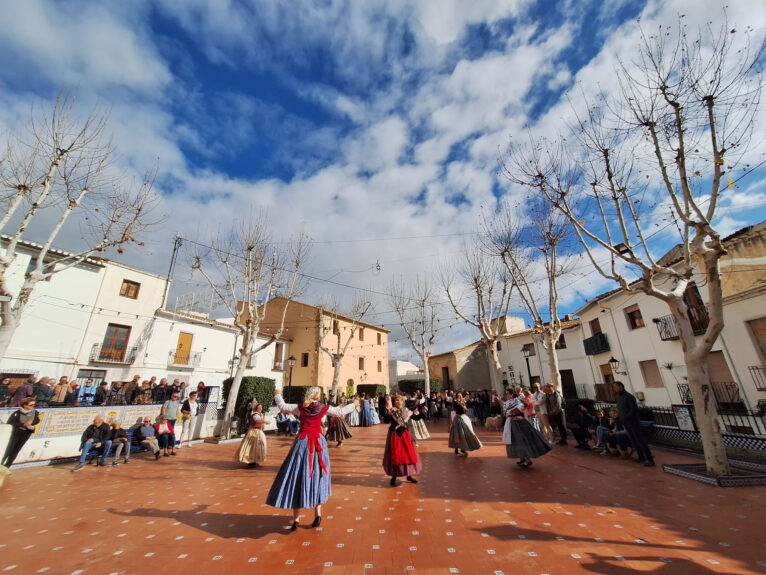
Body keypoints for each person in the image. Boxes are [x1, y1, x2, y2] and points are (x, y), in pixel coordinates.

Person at [266, 386, 357, 531]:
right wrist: (354, 404)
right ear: (317, 396)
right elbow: (339, 411)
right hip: (317, 444)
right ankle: (317, 515)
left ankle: (296, 520)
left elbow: (283, 406)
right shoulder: (322, 408)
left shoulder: (300, 407)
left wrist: (277, 394)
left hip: (302, 443)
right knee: (318, 475)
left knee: (296, 476)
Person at [502, 387, 551, 468]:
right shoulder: (507, 403)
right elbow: (506, 412)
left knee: (522, 440)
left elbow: (521, 408)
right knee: (515, 441)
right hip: (511, 423)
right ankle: (522, 459)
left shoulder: (516, 401)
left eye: (507, 394)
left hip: (519, 423)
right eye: (506, 394)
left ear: (511, 394)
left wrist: (524, 406)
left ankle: (528, 460)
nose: (506, 395)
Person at [383, 394, 422, 486]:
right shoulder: (392, 410)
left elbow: (416, 418)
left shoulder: (406, 411)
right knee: (395, 455)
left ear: (402, 401)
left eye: (398, 400)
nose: (397, 402)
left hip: (404, 435)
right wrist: (388, 412)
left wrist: (423, 413)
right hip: (395, 435)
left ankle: (409, 475)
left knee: (407, 455)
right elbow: (386, 421)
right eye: (395, 401)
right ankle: (394, 476)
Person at [614, 381, 655, 466]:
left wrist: (625, 417)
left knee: (640, 440)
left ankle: (650, 459)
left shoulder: (629, 397)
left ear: (620, 387)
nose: (615, 389)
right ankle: (641, 456)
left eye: (615, 387)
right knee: (634, 441)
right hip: (626, 423)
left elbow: (633, 410)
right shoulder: (618, 397)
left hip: (633, 422)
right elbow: (621, 409)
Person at [1, 397, 41, 469]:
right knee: (9, 449)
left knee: (16, 450)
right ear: (24, 405)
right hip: (16, 433)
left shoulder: (34, 413)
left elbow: (37, 420)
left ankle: (7, 466)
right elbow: (10, 423)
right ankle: (1, 463)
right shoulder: (17, 413)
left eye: (33, 405)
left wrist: (32, 422)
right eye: (30, 405)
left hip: (26, 433)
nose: (32, 407)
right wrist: (23, 424)